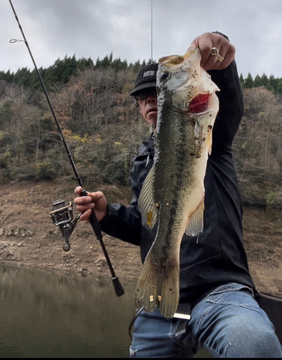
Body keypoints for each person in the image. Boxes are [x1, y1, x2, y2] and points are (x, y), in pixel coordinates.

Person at [73, 32, 282, 358]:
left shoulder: (208, 130)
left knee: (256, 347)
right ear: (139, 108)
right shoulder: (143, 161)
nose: (150, 102)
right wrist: (107, 215)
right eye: (142, 99)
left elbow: (227, 105)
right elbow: (146, 224)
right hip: (158, 302)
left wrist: (221, 59)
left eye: (157, 93)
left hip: (221, 289)